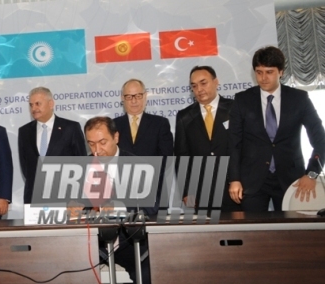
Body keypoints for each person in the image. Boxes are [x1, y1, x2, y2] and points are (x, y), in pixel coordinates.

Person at [228, 46, 325, 212]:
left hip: (291, 180)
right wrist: (234, 179)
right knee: (253, 233)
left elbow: (320, 139)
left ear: (281, 72)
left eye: (269, 72)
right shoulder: (242, 100)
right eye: (259, 72)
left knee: (291, 234)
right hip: (252, 180)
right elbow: (234, 143)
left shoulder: (299, 99)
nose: (263, 78)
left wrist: (311, 173)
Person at [85, 116, 152, 284]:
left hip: (128, 241)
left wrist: (119, 209)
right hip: (94, 245)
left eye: (102, 142)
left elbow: (151, 210)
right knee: (71, 274)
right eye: (91, 144)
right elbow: (77, 207)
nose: (97, 150)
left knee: (148, 275)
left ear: (116, 137)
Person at [175, 66, 240, 214]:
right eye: (194, 86)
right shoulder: (184, 116)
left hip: (233, 188)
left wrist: (239, 180)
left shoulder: (235, 109)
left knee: (236, 234)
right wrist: (186, 192)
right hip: (200, 192)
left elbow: (244, 148)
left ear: (216, 82)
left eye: (203, 83)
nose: (199, 89)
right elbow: (181, 157)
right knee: (206, 236)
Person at [18, 86, 87, 204]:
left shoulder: (71, 128)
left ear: (51, 104)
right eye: (31, 105)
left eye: (38, 104)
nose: (34, 108)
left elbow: (82, 163)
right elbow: (26, 167)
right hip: (34, 197)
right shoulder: (24, 131)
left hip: (67, 197)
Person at [114, 79, 173, 211]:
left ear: (145, 96)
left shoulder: (160, 123)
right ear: (122, 98)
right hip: (120, 194)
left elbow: (166, 159)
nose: (134, 101)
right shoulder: (113, 125)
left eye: (138, 96)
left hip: (153, 193)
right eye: (129, 97)